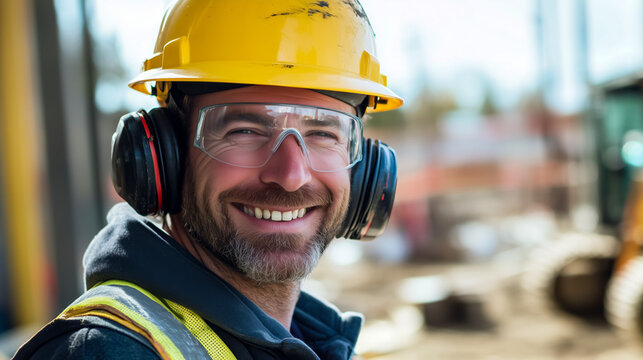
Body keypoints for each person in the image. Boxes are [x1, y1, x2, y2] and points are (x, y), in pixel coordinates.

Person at [14, 0, 402, 359]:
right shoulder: (107, 351)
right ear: (166, 155)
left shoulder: (307, 338)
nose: (290, 175)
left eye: (324, 133)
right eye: (244, 130)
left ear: (364, 168)